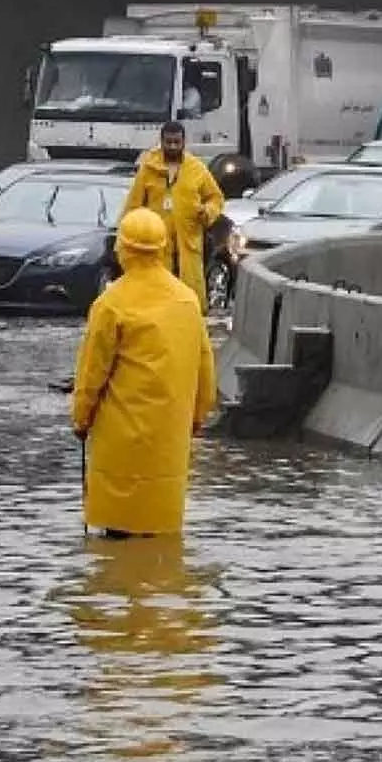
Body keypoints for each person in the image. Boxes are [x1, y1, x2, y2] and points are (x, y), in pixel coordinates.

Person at [71, 208, 217, 539]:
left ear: (122, 249)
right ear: (163, 248)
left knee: (118, 539)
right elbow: (204, 367)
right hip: (169, 443)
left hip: (120, 445)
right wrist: (197, 417)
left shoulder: (111, 303)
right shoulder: (186, 300)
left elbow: (91, 374)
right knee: (159, 537)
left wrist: (81, 419)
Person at [121, 120, 225, 314]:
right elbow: (133, 206)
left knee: (190, 301)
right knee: (158, 300)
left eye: (177, 142)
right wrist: (124, 240)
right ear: (161, 142)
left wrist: (207, 212)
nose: (172, 146)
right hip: (157, 246)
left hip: (189, 244)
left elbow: (216, 198)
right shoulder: (148, 168)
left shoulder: (197, 168)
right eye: (168, 142)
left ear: (184, 142)